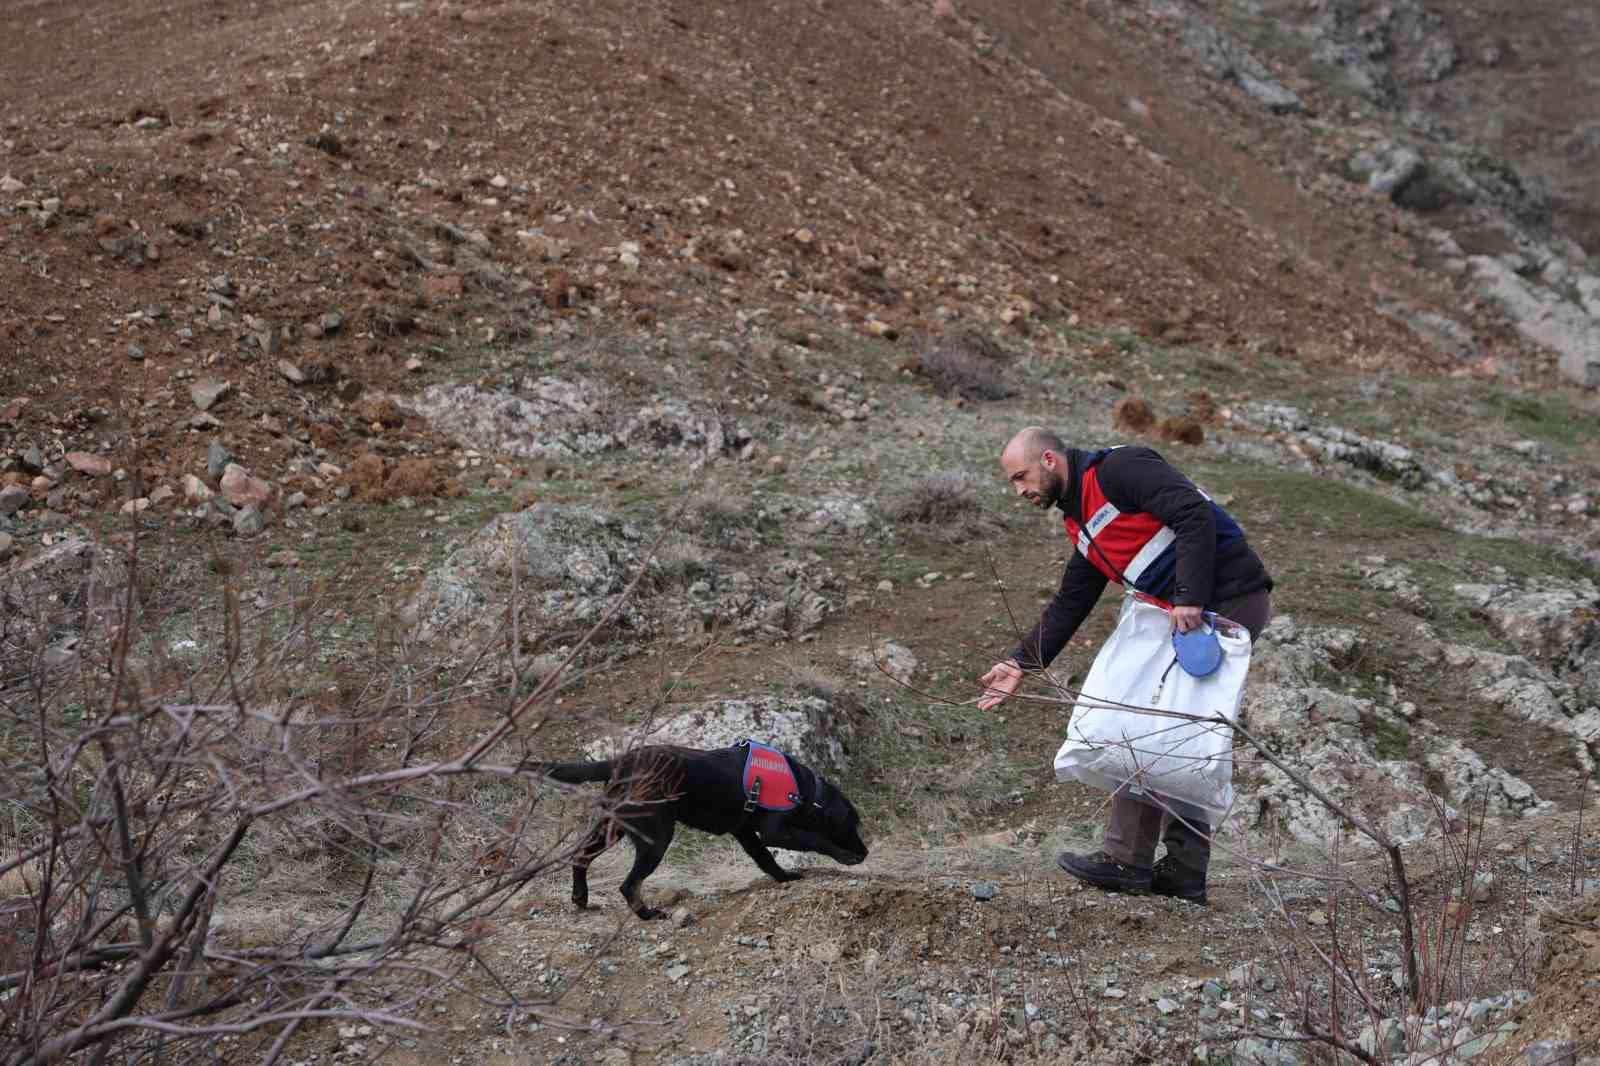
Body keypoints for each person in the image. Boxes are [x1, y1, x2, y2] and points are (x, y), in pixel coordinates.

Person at [977, 426, 1273, 904]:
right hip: (1186, 618)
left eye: (1021, 477)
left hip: (1229, 605)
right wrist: (1021, 663)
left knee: (1176, 737)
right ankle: (1148, 865)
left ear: (1049, 459)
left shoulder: (1119, 469)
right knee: (1147, 730)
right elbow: (1071, 601)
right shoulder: (1083, 524)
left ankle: (1149, 863)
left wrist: (1190, 597)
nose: (1020, 491)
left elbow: (1193, 513)